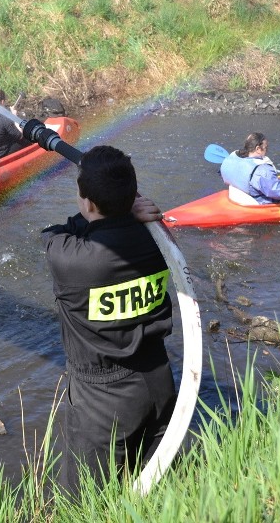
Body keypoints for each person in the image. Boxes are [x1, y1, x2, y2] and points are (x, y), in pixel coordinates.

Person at [41, 145, 177, 492]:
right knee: (156, 481)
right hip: (158, 378)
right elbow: (109, 221)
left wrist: (117, 212)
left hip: (101, 396)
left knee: (84, 497)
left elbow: (52, 234)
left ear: (86, 202)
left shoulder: (71, 258)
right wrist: (129, 213)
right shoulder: (160, 240)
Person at [219, 132, 280, 204]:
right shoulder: (262, 170)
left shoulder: (232, 157)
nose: (267, 150)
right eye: (266, 147)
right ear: (258, 149)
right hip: (260, 202)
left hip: (239, 195)